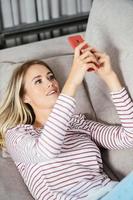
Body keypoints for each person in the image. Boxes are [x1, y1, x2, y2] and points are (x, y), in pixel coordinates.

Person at [0, 41, 133, 200]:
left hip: (113, 191)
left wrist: (110, 77)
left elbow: (129, 137)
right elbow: (46, 151)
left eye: (51, 77)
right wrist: (73, 80)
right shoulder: (17, 136)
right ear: (24, 97)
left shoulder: (78, 123)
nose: (50, 82)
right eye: (38, 81)